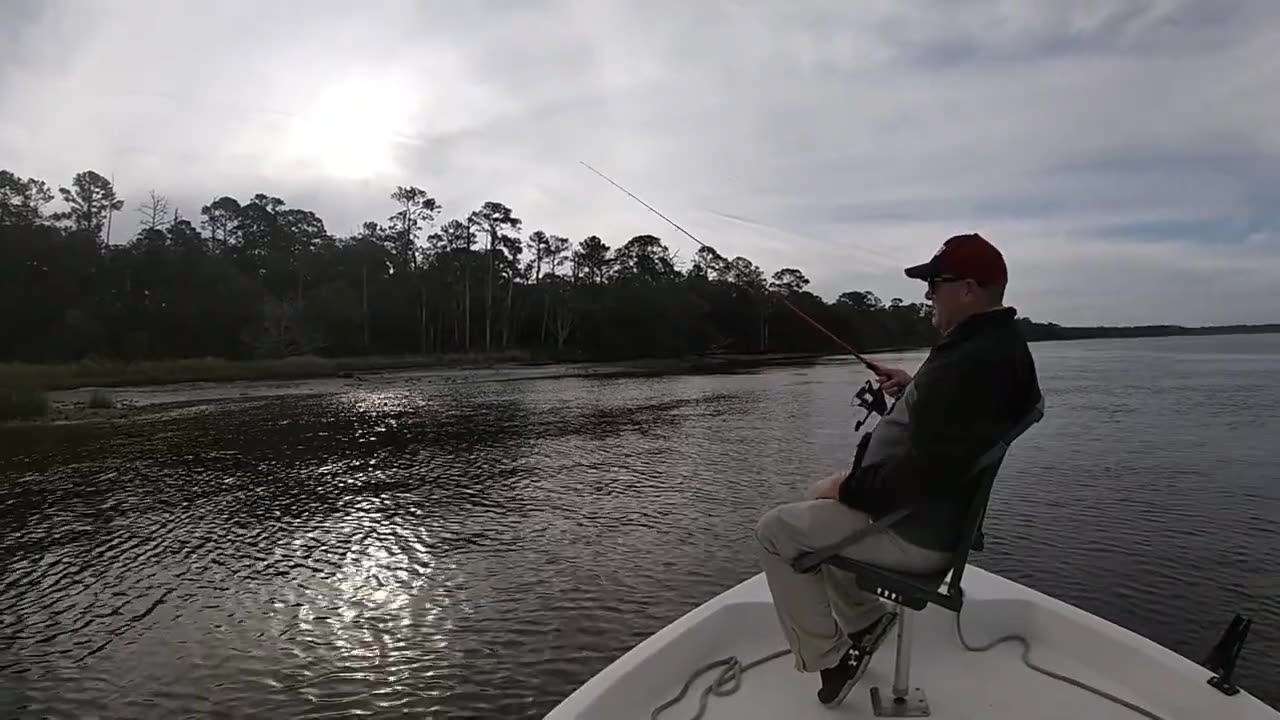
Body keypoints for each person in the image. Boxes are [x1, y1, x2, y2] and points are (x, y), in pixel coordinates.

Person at [754, 233, 1043, 707]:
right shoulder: (994, 345)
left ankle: (832, 659)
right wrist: (913, 392)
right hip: (929, 519)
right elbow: (955, 428)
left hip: (914, 530)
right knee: (814, 503)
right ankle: (867, 621)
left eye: (935, 283)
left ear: (969, 289)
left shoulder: (968, 362)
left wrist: (848, 486)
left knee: (775, 531)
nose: (928, 293)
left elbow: (923, 473)